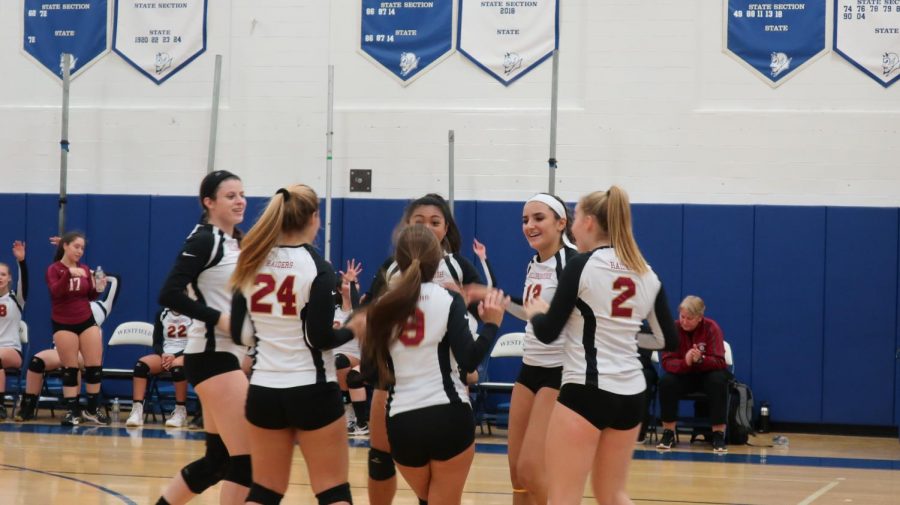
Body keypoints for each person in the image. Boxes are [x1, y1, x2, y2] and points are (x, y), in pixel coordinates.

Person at [524, 186, 678, 505]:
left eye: (576, 216)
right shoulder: (646, 272)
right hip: (632, 395)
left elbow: (549, 331)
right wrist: (620, 334)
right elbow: (667, 341)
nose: (574, 224)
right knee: (613, 494)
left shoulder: (582, 265)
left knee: (563, 496)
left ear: (590, 222)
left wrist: (536, 313)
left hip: (587, 390)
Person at [230, 184, 363, 505]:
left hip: (263, 390)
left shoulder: (251, 261)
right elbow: (320, 339)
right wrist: (354, 328)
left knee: (264, 491)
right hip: (312, 388)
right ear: (314, 218)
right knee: (333, 491)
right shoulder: (318, 267)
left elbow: (238, 333)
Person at [364, 224, 508, 505]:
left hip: (402, 422)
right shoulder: (448, 299)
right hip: (449, 417)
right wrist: (492, 325)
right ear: (438, 260)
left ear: (399, 261)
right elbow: (469, 360)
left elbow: (370, 372)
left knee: (428, 499)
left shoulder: (381, 305)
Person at [156, 170, 251, 505]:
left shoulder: (235, 241)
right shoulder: (205, 240)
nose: (240, 201)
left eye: (242, 194)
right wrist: (220, 319)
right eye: (230, 196)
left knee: (218, 462)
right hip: (212, 357)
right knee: (248, 461)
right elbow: (169, 293)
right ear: (208, 202)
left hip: (225, 356)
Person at [504, 194, 577, 505]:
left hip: (559, 371)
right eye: (525, 220)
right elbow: (534, 312)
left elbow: (563, 319)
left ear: (561, 223)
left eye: (538, 218)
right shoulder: (535, 262)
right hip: (529, 366)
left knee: (533, 468)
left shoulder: (572, 262)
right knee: (517, 471)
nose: (529, 225)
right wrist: (499, 302)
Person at [15, 273, 120, 422]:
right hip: (61, 349)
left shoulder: (101, 306)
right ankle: (28, 406)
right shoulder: (66, 301)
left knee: (72, 363)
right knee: (36, 361)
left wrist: (97, 275)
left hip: (85, 354)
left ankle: (74, 409)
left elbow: (117, 280)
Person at [46, 232, 110, 426]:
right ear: (65, 246)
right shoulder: (54, 269)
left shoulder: (84, 268)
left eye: (82, 248)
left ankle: (92, 410)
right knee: (70, 368)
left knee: (94, 366)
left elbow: (89, 296)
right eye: (76, 246)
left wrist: (99, 287)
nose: (80, 251)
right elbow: (55, 292)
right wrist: (68, 274)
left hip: (85, 319)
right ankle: (72, 411)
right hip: (63, 321)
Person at [656, 295, 730, 453]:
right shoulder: (674, 329)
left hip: (706, 375)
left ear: (699, 318)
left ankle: (718, 434)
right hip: (683, 375)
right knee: (666, 382)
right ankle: (668, 433)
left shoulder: (712, 328)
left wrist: (701, 359)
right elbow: (667, 361)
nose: (684, 321)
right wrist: (686, 362)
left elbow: (720, 361)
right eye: (682, 316)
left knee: (718, 381)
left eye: (689, 318)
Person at [125, 307, 192, 428]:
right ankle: (137, 411)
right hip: (165, 354)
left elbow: (194, 342)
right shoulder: (162, 314)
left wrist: (175, 356)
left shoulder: (193, 313)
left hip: (186, 354)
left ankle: (180, 411)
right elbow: (156, 342)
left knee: (177, 368)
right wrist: (163, 354)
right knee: (141, 365)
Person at [332, 259, 369, 437]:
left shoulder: (360, 310)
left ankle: (353, 415)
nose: (352, 286)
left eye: (355, 284)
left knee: (340, 361)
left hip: (359, 357)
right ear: (339, 289)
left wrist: (351, 282)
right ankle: (350, 413)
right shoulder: (333, 311)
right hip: (336, 359)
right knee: (337, 361)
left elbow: (357, 308)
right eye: (346, 284)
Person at [0, 241, 27, 420]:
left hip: (12, 351)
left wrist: (22, 262)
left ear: (9, 278)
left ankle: (0, 405)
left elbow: (24, 283)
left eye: (2, 274)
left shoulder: (15, 299)